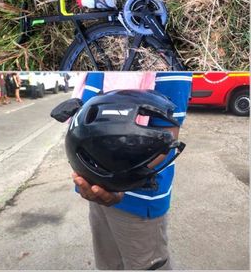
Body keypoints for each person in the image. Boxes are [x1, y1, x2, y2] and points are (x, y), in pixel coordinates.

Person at [71, 72, 192, 270]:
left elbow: (166, 139)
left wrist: (115, 185)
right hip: (95, 189)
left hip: (138, 199)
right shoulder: (93, 72)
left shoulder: (167, 68)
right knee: (109, 264)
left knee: (143, 264)